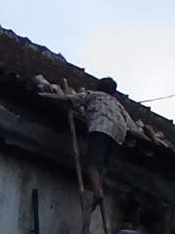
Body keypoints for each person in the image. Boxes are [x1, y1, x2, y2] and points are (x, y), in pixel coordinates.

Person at [40, 77, 146, 209]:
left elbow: (69, 99)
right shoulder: (118, 105)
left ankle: (97, 192)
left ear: (99, 87)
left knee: (92, 164)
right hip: (118, 135)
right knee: (103, 166)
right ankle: (98, 187)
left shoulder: (93, 95)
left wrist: (43, 94)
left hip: (101, 127)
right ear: (114, 92)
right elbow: (133, 128)